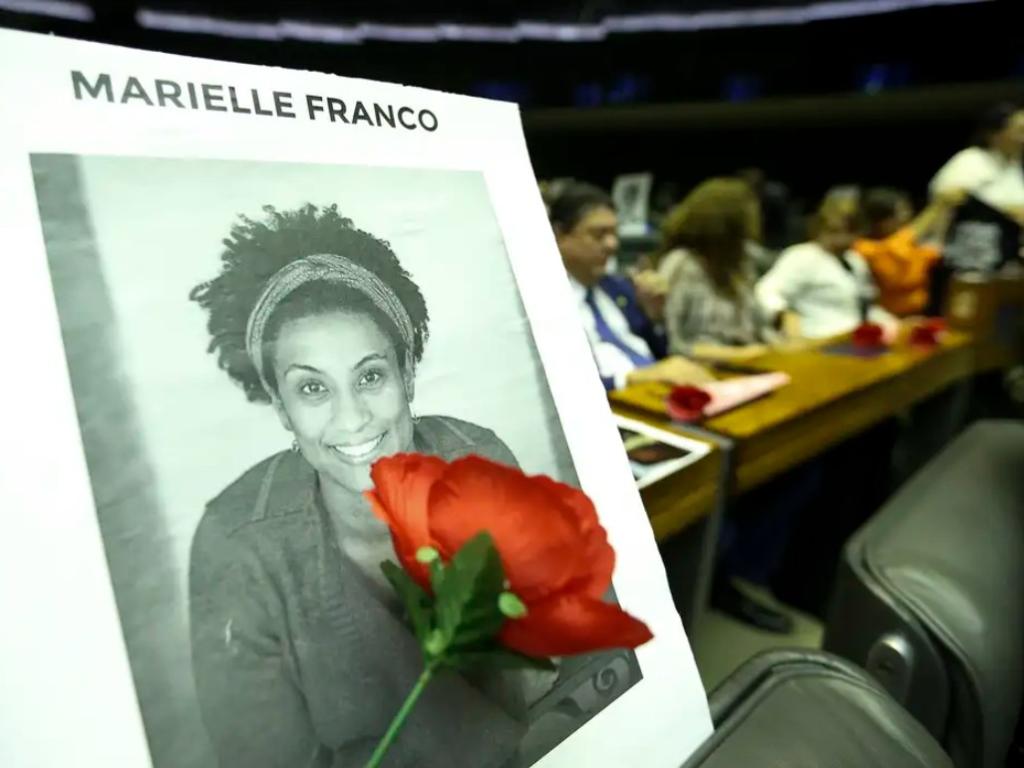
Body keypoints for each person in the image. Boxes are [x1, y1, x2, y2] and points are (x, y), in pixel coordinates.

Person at [188, 204, 529, 768]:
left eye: (370, 376)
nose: (352, 420)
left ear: (407, 375)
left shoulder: (480, 461)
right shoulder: (237, 546)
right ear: (281, 407)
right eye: (312, 389)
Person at [546, 180, 712, 390]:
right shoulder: (543, 304)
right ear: (558, 235)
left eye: (614, 233)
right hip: (615, 401)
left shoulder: (618, 288)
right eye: (599, 234)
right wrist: (632, 378)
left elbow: (661, 353)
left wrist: (654, 317)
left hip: (656, 392)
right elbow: (563, 383)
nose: (612, 244)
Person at [657, 178, 773, 359]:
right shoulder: (681, 264)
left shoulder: (740, 265)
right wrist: (736, 354)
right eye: (743, 229)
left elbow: (761, 328)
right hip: (703, 366)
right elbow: (670, 343)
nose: (752, 233)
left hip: (749, 361)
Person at [756, 194, 894, 339]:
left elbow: (865, 307)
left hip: (852, 339)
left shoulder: (855, 261)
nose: (842, 237)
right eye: (834, 230)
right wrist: (783, 316)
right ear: (821, 227)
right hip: (816, 340)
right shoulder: (802, 256)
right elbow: (766, 291)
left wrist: (890, 324)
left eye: (849, 231)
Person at [854, 187, 966, 316]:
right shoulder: (864, 248)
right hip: (886, 319)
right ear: (882, 221)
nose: (908, 216)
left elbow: (933, 249)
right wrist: (938, 205)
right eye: (901, 212)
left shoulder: (908, 246)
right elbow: (899, 243)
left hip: (919, 315)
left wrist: (947, 209)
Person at [930, 102, 1024, 225]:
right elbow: (946, 199)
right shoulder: (970, 160)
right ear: (994, 134)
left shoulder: (1014, 166)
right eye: (1020, 131)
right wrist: (1009, 211)